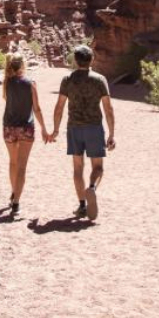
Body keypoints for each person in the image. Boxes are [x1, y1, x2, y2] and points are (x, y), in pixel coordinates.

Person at [50, 45, 115, 220]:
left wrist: (55, 129)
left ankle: (81, 205)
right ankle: (92, 188)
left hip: (74, 128)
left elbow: (59, 107)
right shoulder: (100, 79)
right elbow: (108, 108)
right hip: (94, 127)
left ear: (75, 60)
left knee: (78, 168)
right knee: (98, 167)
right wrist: (111, 134)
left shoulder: (67, 79)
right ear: (91, 59)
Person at [1, 53, 50, 216]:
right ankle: (16, 202)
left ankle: (14, 192)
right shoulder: (30, 84)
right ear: (23, 65)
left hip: (8, 127)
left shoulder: (6, 82)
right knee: (22, 166)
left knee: (12, 162)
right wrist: (44, 128)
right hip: (26, 128)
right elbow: (36, 108)